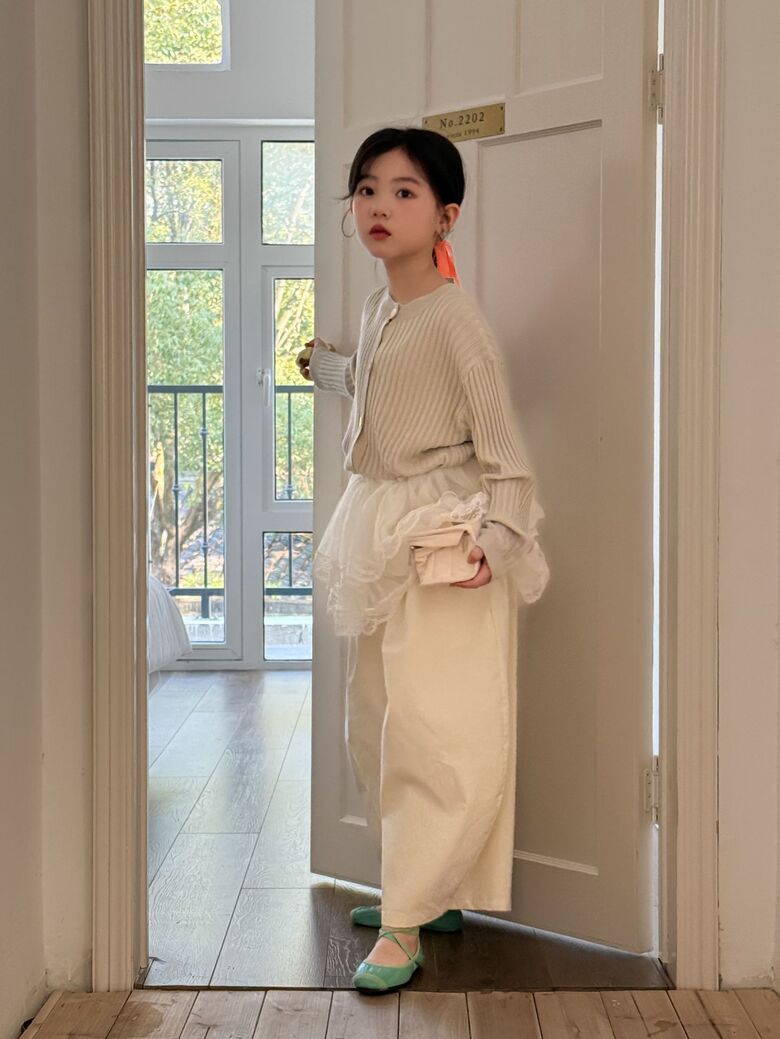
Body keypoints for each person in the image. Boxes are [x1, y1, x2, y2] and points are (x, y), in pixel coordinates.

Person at [296, 126, 550, 994]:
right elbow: (389, 391)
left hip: (441, 537)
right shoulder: (383, 309)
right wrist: (330, 369)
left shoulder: (458, 321)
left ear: (446, 216)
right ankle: (424, 890)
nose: (379, 205)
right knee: (372, 717)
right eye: (367, 189)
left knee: (433, 730)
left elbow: (506, 456)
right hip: (377, 525)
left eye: (404, 191)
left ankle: (405, 922)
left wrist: (496, 543)